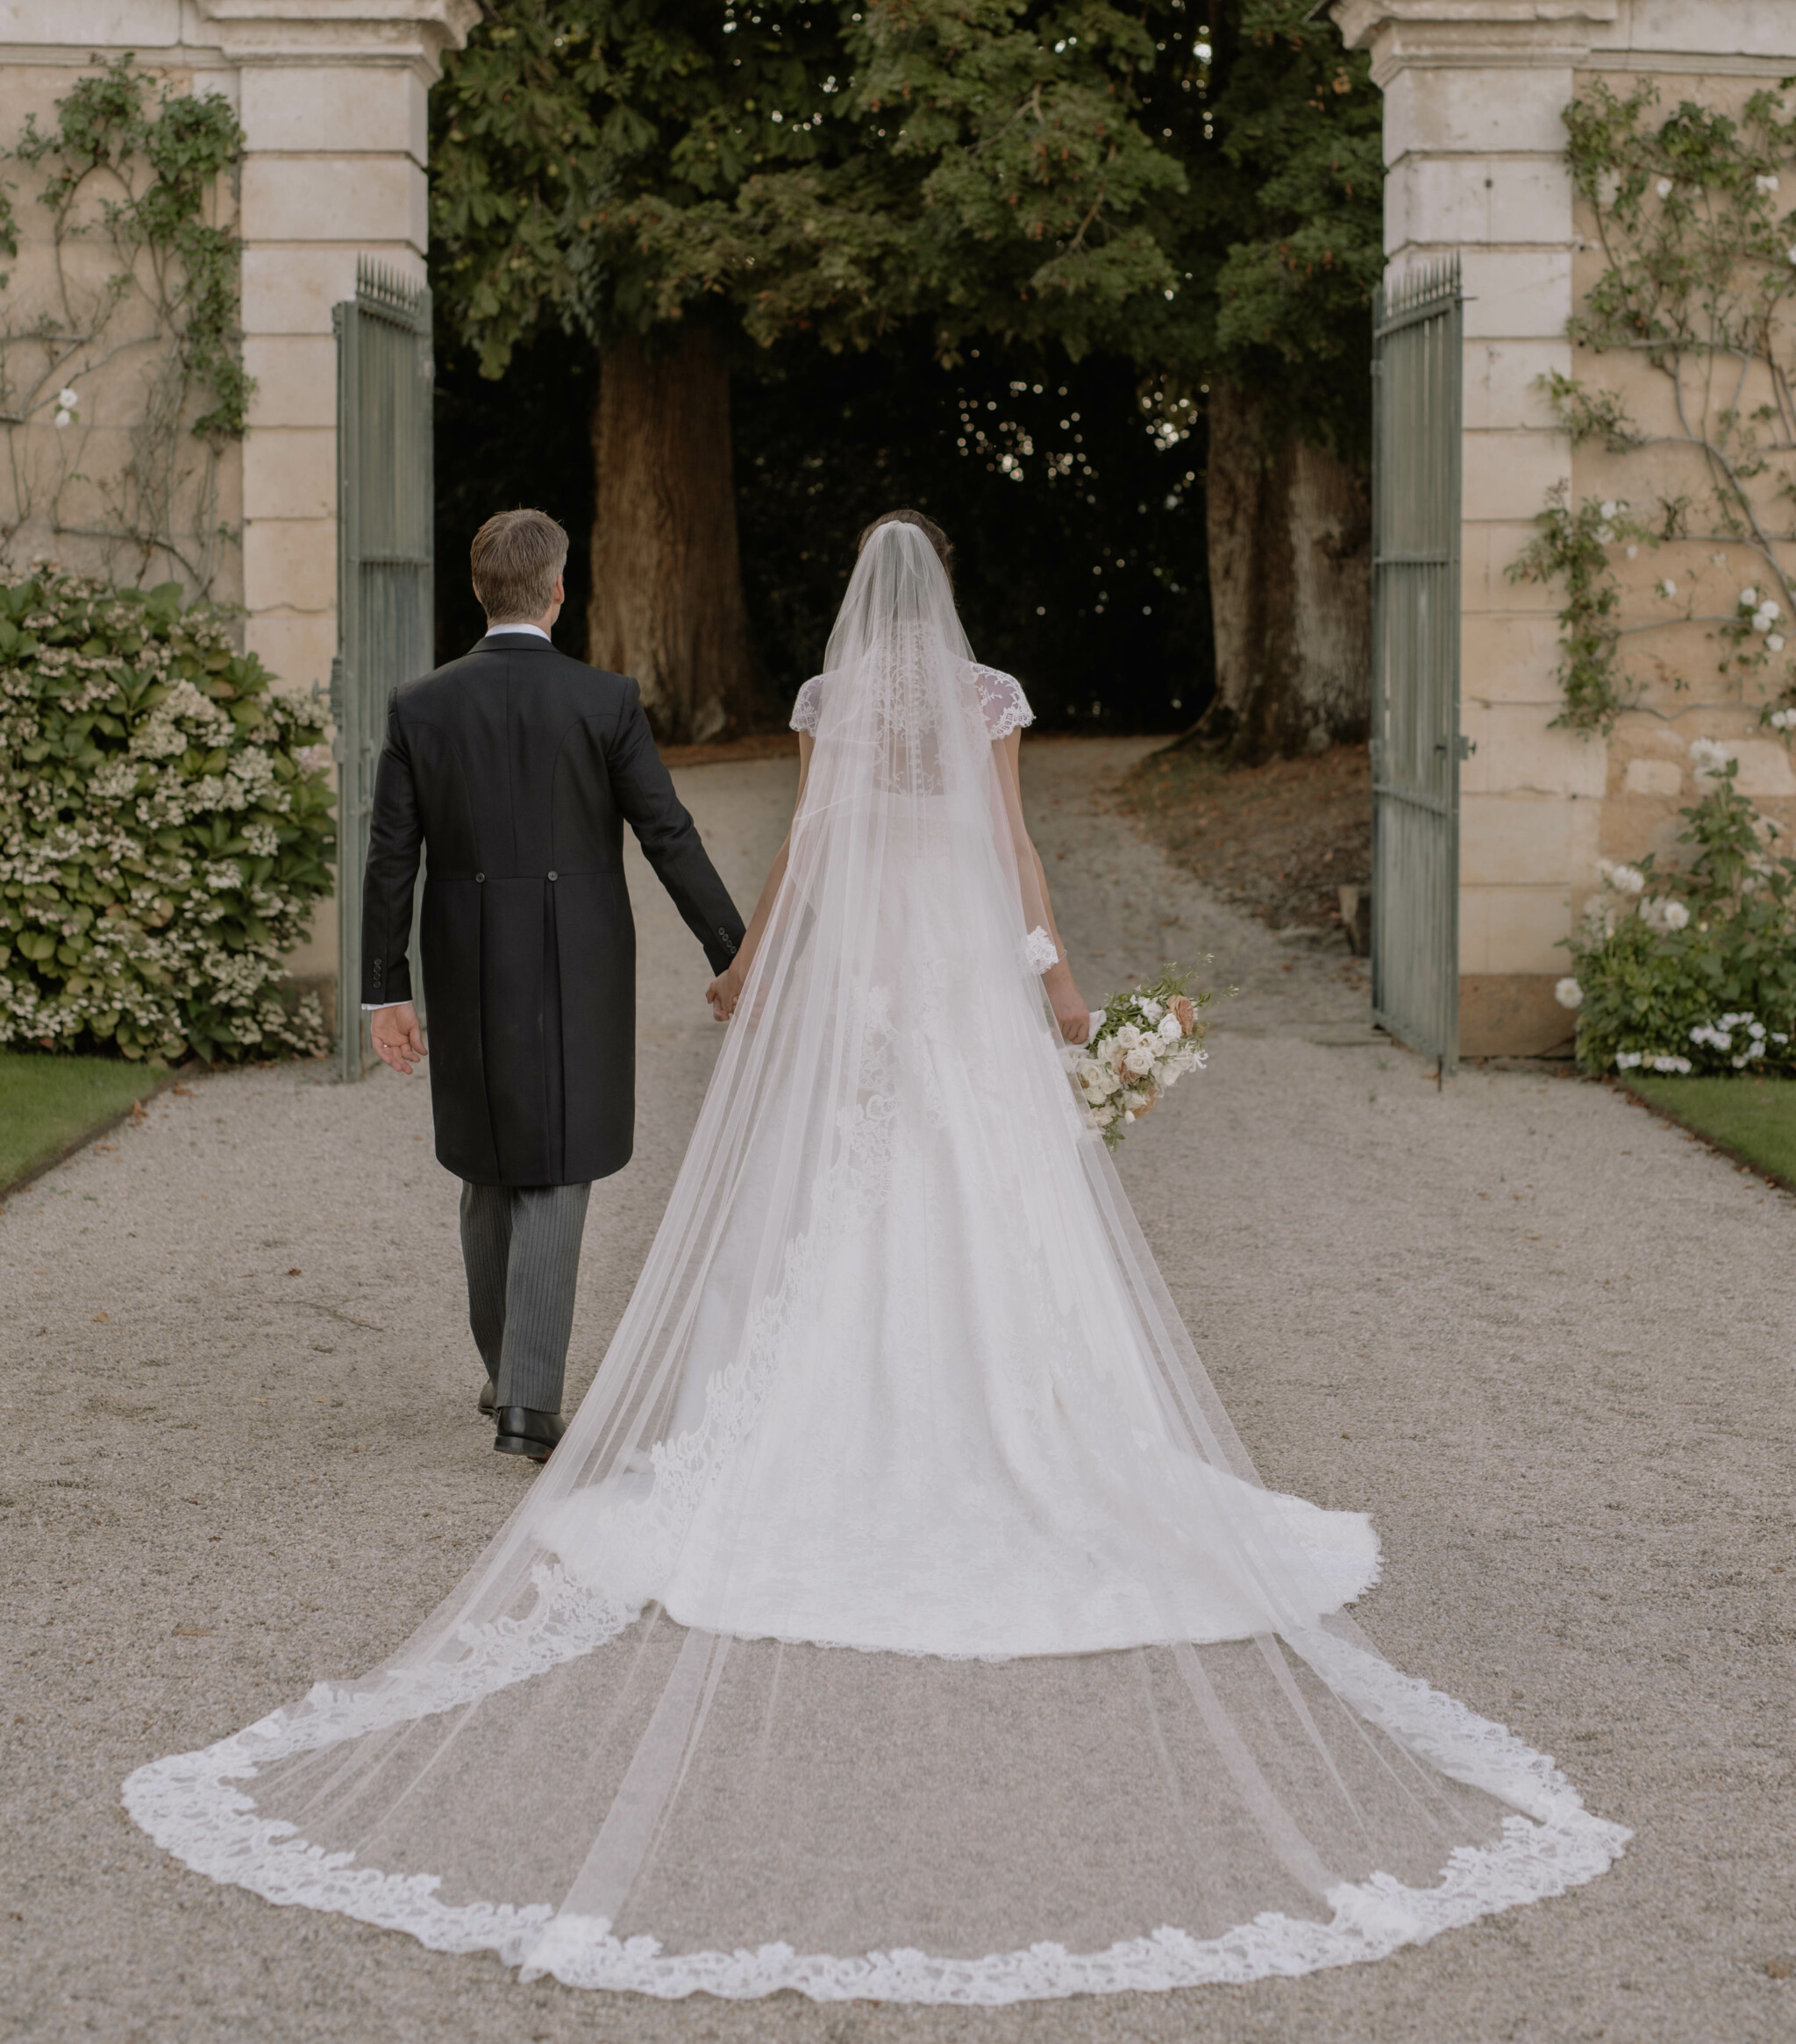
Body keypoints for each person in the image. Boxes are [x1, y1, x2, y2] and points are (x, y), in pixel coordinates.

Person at [128, 513, 1626, 2001]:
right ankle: (1024, 1430)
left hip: (866, 983)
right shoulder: (988, 700)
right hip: (961, 980)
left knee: (828, 1196)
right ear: (947, 601)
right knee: (990, 1198)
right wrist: (1061, 989)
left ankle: (697, 1413)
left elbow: (813, 843)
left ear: (857, 608)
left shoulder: (829, 706)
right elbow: (1016, 850)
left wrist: (756, 965)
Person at [360, 507, 745, 1463]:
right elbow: (667, 833)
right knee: (559, 1160)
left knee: (489, 1162)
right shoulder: (603, 698)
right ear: (558, 590)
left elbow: (388, 862)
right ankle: (527, 1403)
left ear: (479, 590)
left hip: (462, 956)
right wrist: (733, 950)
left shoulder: (420, 704)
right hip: (577, 956)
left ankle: (509, 1375)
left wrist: (386, 991)